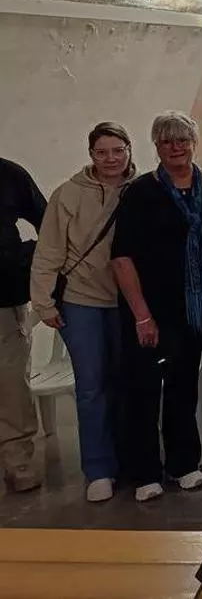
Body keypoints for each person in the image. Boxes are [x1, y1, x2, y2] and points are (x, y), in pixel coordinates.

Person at [110, 111, 202, 502]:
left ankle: (183, 464)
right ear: (156, 147)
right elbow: (122, 257)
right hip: (150, 306)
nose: (176, 147)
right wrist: (141, 315)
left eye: (182, 140)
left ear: (194, 143)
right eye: (166, 141)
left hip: (193, 307)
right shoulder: (140, 191)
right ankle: (145, 472)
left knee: (183, 387)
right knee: (144, 390)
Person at [29, 122, 135, 501]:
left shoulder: (141, 190)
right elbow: (49, 250)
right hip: (81, 299)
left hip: (128, 301)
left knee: (127, 382)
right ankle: (99, 469)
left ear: (129, 150)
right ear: (91, 155)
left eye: (117, 150)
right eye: (102, 152)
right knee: (91, 386)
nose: (111, 158)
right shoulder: (68, 194)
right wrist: (43, 301)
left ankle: (131, 461)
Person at [0, 156, 46, 494]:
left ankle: (17, 461)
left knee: (10, 382)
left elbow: (48, 223)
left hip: (3, 298)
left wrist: (24, 257)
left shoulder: (8, 174)